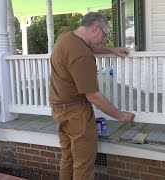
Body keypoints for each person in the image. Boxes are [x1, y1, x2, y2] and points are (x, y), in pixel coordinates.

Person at [49, 12, 135, 180]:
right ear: (96, 28)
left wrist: (111, 50)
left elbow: (92, 46)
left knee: (68, 159)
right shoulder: (82, 55)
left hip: (58, 110)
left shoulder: (66, 38)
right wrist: (120, 115)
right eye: (104, 34)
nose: (103, 40)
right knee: (83, 166)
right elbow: (94, 96)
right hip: (77, 115)